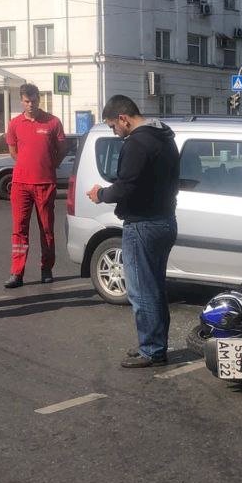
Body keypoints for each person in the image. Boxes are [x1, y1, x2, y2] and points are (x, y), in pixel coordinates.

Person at [87, 95, 179, 368]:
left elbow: (126, 186)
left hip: (142, 224)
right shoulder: (165, 137)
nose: (114, 132)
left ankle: (151, 350)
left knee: (141, 291)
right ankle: (154, 343)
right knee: (155, 287)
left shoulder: (137, 143)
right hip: (165, 220)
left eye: (113, 126)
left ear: (124, 118)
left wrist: (100, 194)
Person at [4, 83, 67, 288]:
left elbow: (62, 149)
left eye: (33, 101)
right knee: (19, 229)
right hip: (21, 184)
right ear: (21, 101)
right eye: (26, 101)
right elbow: (14, 152)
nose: (30, 105)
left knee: (47, 228)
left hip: (45, 183)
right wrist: (26, 166)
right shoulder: (15, 123)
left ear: (39, 99)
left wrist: (49, 165)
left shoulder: (52, 122)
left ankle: (46, 268)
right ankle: (17, 273)